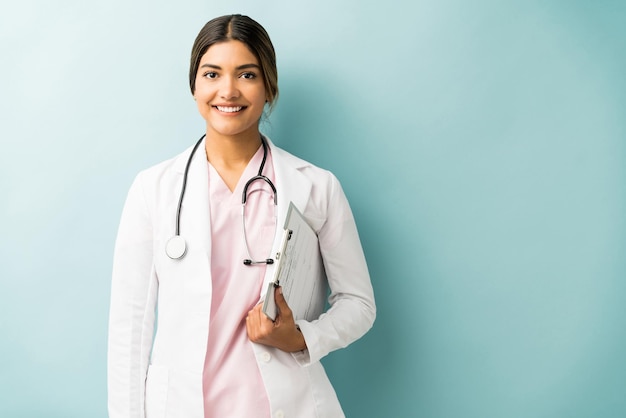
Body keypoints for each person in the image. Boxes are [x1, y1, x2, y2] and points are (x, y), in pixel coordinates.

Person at [107, 14, 376, 418]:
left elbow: (359, 304)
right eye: (212, 74)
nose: (228, 91)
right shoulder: (153, 190)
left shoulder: (316, 187)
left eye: (246, 75)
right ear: (194, 85)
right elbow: (129, 328)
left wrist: (302, 337)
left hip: (290, 404)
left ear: (269, 86)